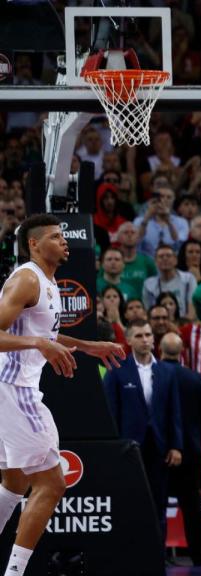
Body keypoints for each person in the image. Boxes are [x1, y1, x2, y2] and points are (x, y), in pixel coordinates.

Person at [0, 215, 125, 576]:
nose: (64, 241)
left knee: (14, 483)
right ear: (34, 244)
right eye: (55, 236)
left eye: (64, 236)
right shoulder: (26, 278)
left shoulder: (49, 282)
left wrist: (87, 346)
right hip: (14, 389)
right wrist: (37, 343)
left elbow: (46, 334)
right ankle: (15, 572)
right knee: (52, 484)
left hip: (13, 389)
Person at [103, 320, 183, 543]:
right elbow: (111, 413)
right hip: (128, 449)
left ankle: (159, 554)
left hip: (159, 447)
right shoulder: (117, 370)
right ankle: (130, 551)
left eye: (148, 335)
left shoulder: (167, 372)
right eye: (139, 335)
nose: (145, 339)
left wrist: (176, 445)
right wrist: (114, 447)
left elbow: (174, 411)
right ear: (128, 340)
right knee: (129, 500)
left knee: (159, 501)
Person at [160, 332, 201, 567]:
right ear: (182, 351)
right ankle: (200, 558)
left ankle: (155, 555)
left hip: (160, 454)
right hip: (191, 455)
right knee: (193, 510)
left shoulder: (154, 376)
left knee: (157, 508)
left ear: (160, 350)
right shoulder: (198, 380)